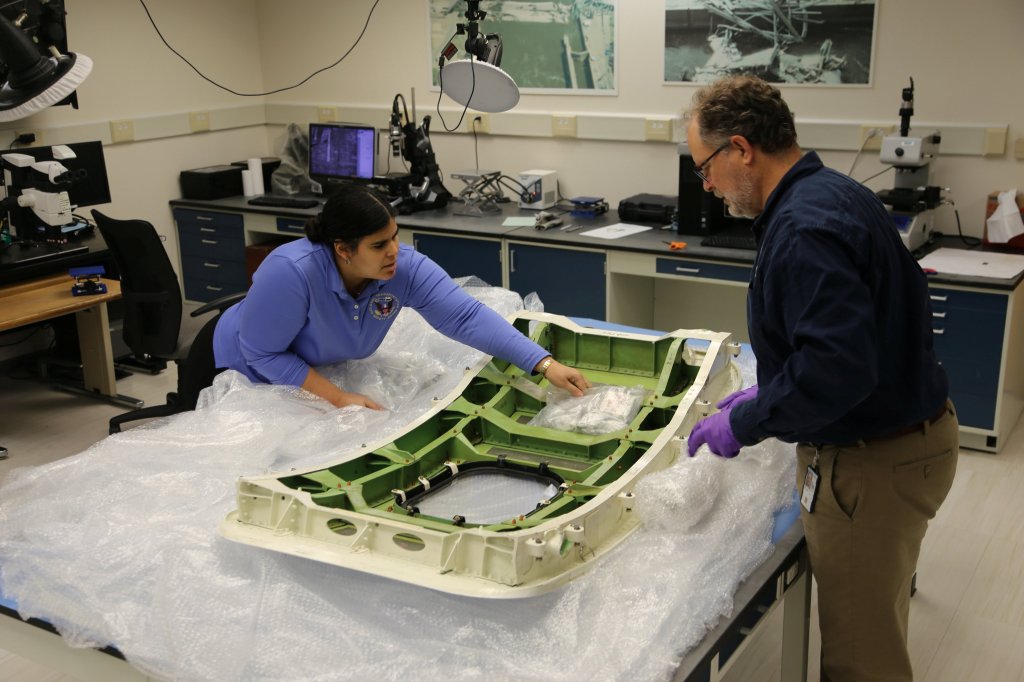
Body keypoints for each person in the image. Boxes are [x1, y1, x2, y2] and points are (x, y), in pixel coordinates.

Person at [684, 75, 958, 682]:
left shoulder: (805, 228)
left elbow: (836, 371)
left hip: (873, 462)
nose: (706, 185)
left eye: (705, 167)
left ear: (741, 148)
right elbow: (851, 340)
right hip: (906, 437)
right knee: (875, 620)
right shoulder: (830, 192)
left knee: (861, 660)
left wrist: (749, 420)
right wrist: (775, 384)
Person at [212, 184, 590, 408]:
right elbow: (263, 352)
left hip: (306, 369)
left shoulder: (402, 268)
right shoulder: (292, 272)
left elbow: (464, 317)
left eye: (395, 236)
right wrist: (339, 399)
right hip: (241, 369)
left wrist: (543, 364)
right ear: (343, 249)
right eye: (379, 245)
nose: (395, 250)